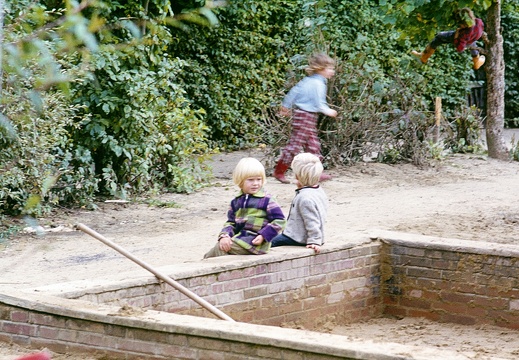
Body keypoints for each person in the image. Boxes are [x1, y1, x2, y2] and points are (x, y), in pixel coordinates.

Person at [274, 52, 338, 184]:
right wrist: (328, 111)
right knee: (296, 145)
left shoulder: (308, 80)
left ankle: (315, 172)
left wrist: (285, 106)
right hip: (305, 116)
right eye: (330, 68)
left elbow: (293, 92)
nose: (333, 71)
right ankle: (279, 171)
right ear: (321, 69)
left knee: (313, 145)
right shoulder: (317, 84)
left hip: (305, 115)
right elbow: (318, 102)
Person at [203, 157, 286, 258]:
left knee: (220, 248)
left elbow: (280, 220)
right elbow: (231, 222)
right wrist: (225, 235)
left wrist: (264, 235)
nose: (255, 183)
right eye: (250, 180)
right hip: (239, 239)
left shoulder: (266, 200)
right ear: (240, 181)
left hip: (254, 242)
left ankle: (206, 266)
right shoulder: (236, 201)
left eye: (259, 179)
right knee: (222, 245)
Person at [271, 153, 328, 254]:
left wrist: (314, 241)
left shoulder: (305, 198)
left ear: (297, 175)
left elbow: (312, 220)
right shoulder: (318, 191)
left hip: (298, 237)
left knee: (268, 241)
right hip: (300, 234)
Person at [411, 7, 485, 70]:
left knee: (439, 37)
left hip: (462, 39)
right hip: (473, 39)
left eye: (460, 24)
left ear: (464, 23)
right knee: (473, 46)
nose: (459, 25)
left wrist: (456, 36)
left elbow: (459, 49)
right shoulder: (478, 21)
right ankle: (477, 63)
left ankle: (424, 57)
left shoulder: (464, 34)